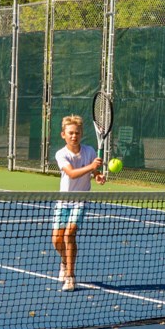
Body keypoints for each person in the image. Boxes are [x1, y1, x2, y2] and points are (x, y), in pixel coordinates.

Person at [52, 115, 105, 291]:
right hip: (63, 202)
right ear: (63, 135)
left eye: (77, 133)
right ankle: (64, 261)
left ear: (81, 134)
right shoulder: (61, 154)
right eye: (70, 133)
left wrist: (98, 176)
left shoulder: (89, 151)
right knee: (56, 240)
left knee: (70, 235)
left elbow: (94, 172)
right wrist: (92, 168)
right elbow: (72, 173)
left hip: (80, 202)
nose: (74, 136)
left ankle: (70, 276)